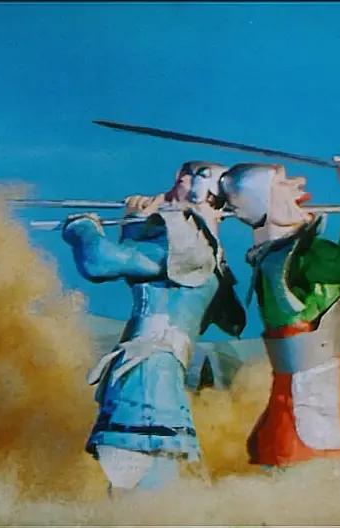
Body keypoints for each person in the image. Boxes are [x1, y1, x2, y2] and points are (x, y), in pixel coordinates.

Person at [62, 161, 245, 491]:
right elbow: (158, 284)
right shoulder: (207, 251)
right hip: (153, 369)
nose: (179, 180)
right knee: (142, 475)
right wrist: (136, 226)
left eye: (194, 176)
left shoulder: (189, 246)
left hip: (147, 372)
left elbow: (99, 262)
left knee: (140, 476)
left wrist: (83, 227)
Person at [219, 156, 340, 468]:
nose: (299, 183)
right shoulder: (292, 261)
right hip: (303, 429)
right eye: (282, 183)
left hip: (321, 421)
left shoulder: (302, 256)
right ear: (261, 203)